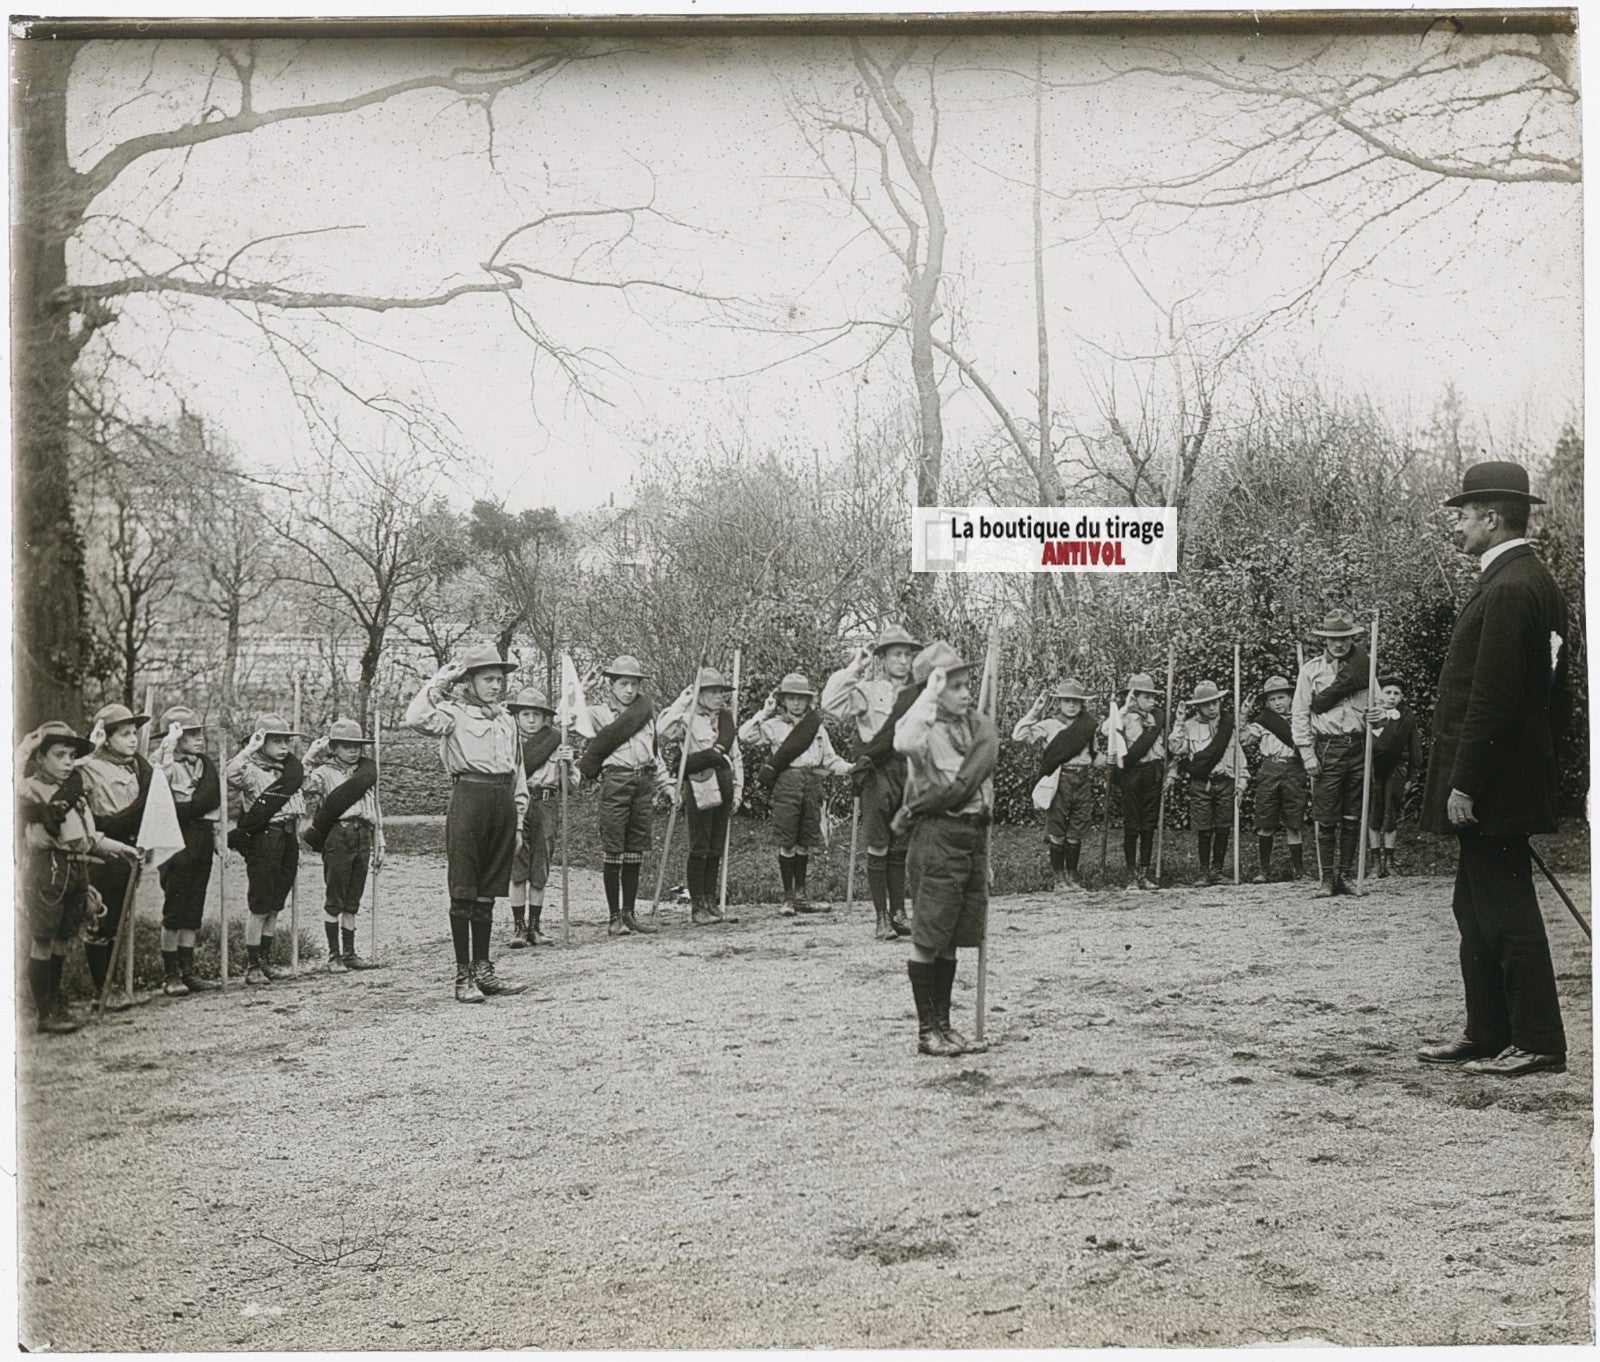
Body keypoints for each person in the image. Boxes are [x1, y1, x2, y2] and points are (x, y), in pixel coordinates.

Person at [1418, 461, 1569, 1078]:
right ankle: (1488, 1031)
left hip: (1490, 785)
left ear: (1492, 517)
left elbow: (1495, 699)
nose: (1456, 524)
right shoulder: (1527, 580)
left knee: (1504, 908)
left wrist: (1467, 782)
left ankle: (1537, 1040)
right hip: (1507, 778)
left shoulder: (1511, 588)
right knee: (1474, 906)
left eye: (1462, 514)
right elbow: (1555, 703)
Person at [405, 644, 530, 1001]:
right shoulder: (453, 714)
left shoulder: (507, 719)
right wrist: (439, 682)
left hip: (502, 802)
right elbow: (415, 719)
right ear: (469, 682)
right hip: (469, 799)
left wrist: (518, 822)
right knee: (464, 890)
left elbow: (518, 772)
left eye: (499, 679)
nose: (495, 686)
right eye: (487, 679)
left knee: (489, 892)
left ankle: (484, 970)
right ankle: (463, 977)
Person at [893, 641, 998, 1058]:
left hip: (971, 836)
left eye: (967, 684)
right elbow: (902, 741)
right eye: (955, 686)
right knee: (930, 933)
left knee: (953, 934)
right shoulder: (923, 730)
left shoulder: (972, 728)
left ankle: (944, 1024)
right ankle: (925, 1030)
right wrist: (931, 691)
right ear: (934, 690)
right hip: (937, 833)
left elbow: (982, 784)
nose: (966, 693)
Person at [15, 723, 138, 1033]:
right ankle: (45, 1012)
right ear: (40, 759)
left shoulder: (75, 792)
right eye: (59, 755)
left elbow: (89, 835)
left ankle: (56, 1001)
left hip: (77, 869)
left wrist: (123, 848)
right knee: (43, 938)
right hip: (50, 868)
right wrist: (23, 752)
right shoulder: (31, 788)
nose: (68, 761)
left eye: (72, 755)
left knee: (62, 939)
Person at [821, 625, 921, 937]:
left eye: (907, 654)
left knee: (900, 844)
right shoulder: (867, 690)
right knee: (878, 843)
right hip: (879, 771)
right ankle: (880, 918)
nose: (903, 661)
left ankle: (899, 913)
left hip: (909, 770)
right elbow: (831, 703)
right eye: (896, 654)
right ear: (882, 658)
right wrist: (856, 667)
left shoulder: (917, 693)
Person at [739, 672, 850, 917]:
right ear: (783, 700)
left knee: (805, 840)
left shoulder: (816, 727)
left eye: (801, 698)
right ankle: (787, 898)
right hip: (787, 783)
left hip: (812, 783)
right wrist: (765, 712)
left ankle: (801, 896)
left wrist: (851, 768)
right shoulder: (773, 725)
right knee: (787, 839)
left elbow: (831, 759)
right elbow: (744, 736)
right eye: (791, 698)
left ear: (808, 701)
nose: (796, 703)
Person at [576, 655, 672, 937]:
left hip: (643, 782)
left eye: (634, 684)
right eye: (623, 684)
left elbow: (656, 755)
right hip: (615, 781)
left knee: (634, 849)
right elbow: (564, 719)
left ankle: (630, 914)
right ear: (612, 685)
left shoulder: (645, 716)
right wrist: (581, 689)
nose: (629, 690)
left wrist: (667, 785)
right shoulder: (597, 713)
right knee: (614, 848)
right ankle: (614, 917)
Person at [1291, 610, 1385, 897]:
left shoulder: (1364, 669)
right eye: (1334, 639)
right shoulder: (1312, 671)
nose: (1340, 644)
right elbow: (1299, 714)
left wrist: (1378, 716)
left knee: (1353, 816)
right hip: (1327, 748)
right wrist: (1307, 753)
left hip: (1357, 746)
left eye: (1345, 638)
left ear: (1352, 639)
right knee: (1326, 816)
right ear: (1325, 640)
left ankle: (1345, 876)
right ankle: (1327, 879)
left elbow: (1381, 710)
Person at [659, 668, 746, 924]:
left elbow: (736, 757)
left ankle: (711, 901)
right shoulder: (686, 718)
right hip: (699, 784)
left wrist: (738, 790)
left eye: (722, 692)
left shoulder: (726, 720)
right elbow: (662, 729)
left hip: (724, 781)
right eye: (713, 692)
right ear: (700, 694)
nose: (720, 697)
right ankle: (697, 907)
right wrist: (684, 699)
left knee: (716, 846)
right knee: (700, 846)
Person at [78, 703, 152, 999]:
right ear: (106, 738)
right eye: (124, 734)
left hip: (130, 849)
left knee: (121, 918)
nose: (133, 739)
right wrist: (87, 751)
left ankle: (116, 983)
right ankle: (102, 989)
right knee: (102, 918)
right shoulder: (91, 767)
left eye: (134, 733)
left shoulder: (136, 767)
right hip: (104, 850)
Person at [226, 712, 306, 984]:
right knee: (260, 903)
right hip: (265, 838)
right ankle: (252, 966)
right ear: (261, 743)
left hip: (287, 837)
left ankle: (267, 960)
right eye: (276, 742)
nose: (284, 747)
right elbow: (230, 774)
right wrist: (248, 750)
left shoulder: (289, 772)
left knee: (275, 903)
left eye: (286, 741)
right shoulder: (251, 769)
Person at [301, 718, 383, 973]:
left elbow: (375, 808)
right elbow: (303, 786)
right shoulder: (325, 772)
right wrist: (309, 757)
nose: (353, 751)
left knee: (353, 897)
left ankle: (350, 953)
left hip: (363, 834)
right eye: (346, 746)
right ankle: (334, 955)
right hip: (338, 834)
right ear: (334, 748)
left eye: (357, 746)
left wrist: (380, 840)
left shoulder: (366, 774)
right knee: (335, 896)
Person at [153, 706, 222, 995]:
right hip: (175, 838)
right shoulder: (163, 762)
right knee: (175, 907)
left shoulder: (203, 764)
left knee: (194, 907)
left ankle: (189, 971)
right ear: (174, 737)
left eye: (198, 733)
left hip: (202, 836)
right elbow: (159, 782)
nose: (198, 740)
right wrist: (168, 745)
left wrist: (217, 838)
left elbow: (213, 805)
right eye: (189, 734)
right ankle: (171, 975)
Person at [506, 687, 579, 947]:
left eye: (537, 714)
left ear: (545, 717)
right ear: (517, 716)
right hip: (517, 806)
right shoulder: (508, 741)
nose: (532, 720)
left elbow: (571, 786)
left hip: (546, 805)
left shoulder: (557, 740)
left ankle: (535, 928)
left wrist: (568, 764)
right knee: (517, 866)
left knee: (540, 865)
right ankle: (518, 928)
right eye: (526, 714)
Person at [1013, 678, 1100, 893]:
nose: (1071, 706)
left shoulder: (1088, 726)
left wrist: (1108, 760)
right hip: (1058, 780)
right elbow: (1019, 735)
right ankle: (1059, 879)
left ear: (1082, 704)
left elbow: (1094, 755)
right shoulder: (1050, 725)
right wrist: (1035, 711)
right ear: (1059, 703)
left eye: (1076, 702)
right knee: (1058, 829)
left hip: (1082, 780)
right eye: (1066, 701)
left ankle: (1072, 877)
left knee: (1076, 830)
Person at [1167, 680, 1248, 885]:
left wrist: (1241, 784)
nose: (1212, 707)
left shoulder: (1230, 725)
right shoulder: (1189, 726)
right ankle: (1204, 872)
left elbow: (1239, 755)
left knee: (1223, 827)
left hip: (1226, 782)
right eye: (1206, 704)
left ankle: (1217, 871)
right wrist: (1178, 722)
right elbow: (1177, 750)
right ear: (1198, 706)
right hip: (1202, 783)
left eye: (1215, 702)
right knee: (1204, 828)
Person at [1241, 676, 1307, 883]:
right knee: (1266, 819)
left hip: (1295, 769)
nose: (1278, 703)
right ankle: (1264, 870)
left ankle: (1299, 870)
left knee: (1293, 821)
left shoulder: (1301, 718)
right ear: (1267, 703)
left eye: (1281, 697)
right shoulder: (1263, 721)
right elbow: (1245, 740)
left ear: (1290, 698)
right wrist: (1243, 716)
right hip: (1270, 769)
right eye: (1272, 700)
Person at [1104, 674, 1165, 890]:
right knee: (1132, 825)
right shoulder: (1123, 717)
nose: (1152, 702)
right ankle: (1131, 875)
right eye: (1146, 697)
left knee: (1149, 824)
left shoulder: (1157, 718)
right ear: (1134, 697)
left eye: (1153, 697)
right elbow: (1106, 731)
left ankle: (1144, 872)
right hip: (1132, 774)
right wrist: (1123, 710)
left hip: (1153, 773)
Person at [1366, 674, 1421, 877]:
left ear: (1401, 697)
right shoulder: (1370, 714)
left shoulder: (1407, 717)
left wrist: (1412, 777)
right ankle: (1374, 865)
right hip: (1372, 771)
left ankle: (1389, 864)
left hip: (1396, 770)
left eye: (1396, 693)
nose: (1391, 697)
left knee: (1391, 815)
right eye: (1387, 692)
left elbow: (1415, 748)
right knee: (1373, 814)